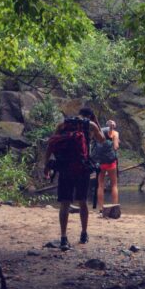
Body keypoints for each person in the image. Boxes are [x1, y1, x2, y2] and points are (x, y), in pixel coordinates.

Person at [44, 107, 104, 250]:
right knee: (82, 201)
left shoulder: (63, 124)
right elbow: (102, 139)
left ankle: (64, 238)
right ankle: (83, 234)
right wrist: (96, 123)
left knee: (65, 203)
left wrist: (46, 165)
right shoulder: (89, 125)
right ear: (89, 116)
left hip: (64, 168)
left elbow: (51, 145)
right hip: (81, 168)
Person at [92, 119, 120, 209]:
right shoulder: (115, 133)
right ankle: (114, 207)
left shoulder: (99, 133)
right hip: (111, 162)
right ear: (113, 126)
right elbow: (115, 147)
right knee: (114, 184)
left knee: (100, 185)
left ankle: (101, 208)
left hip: (100, 162)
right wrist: (117, 142)